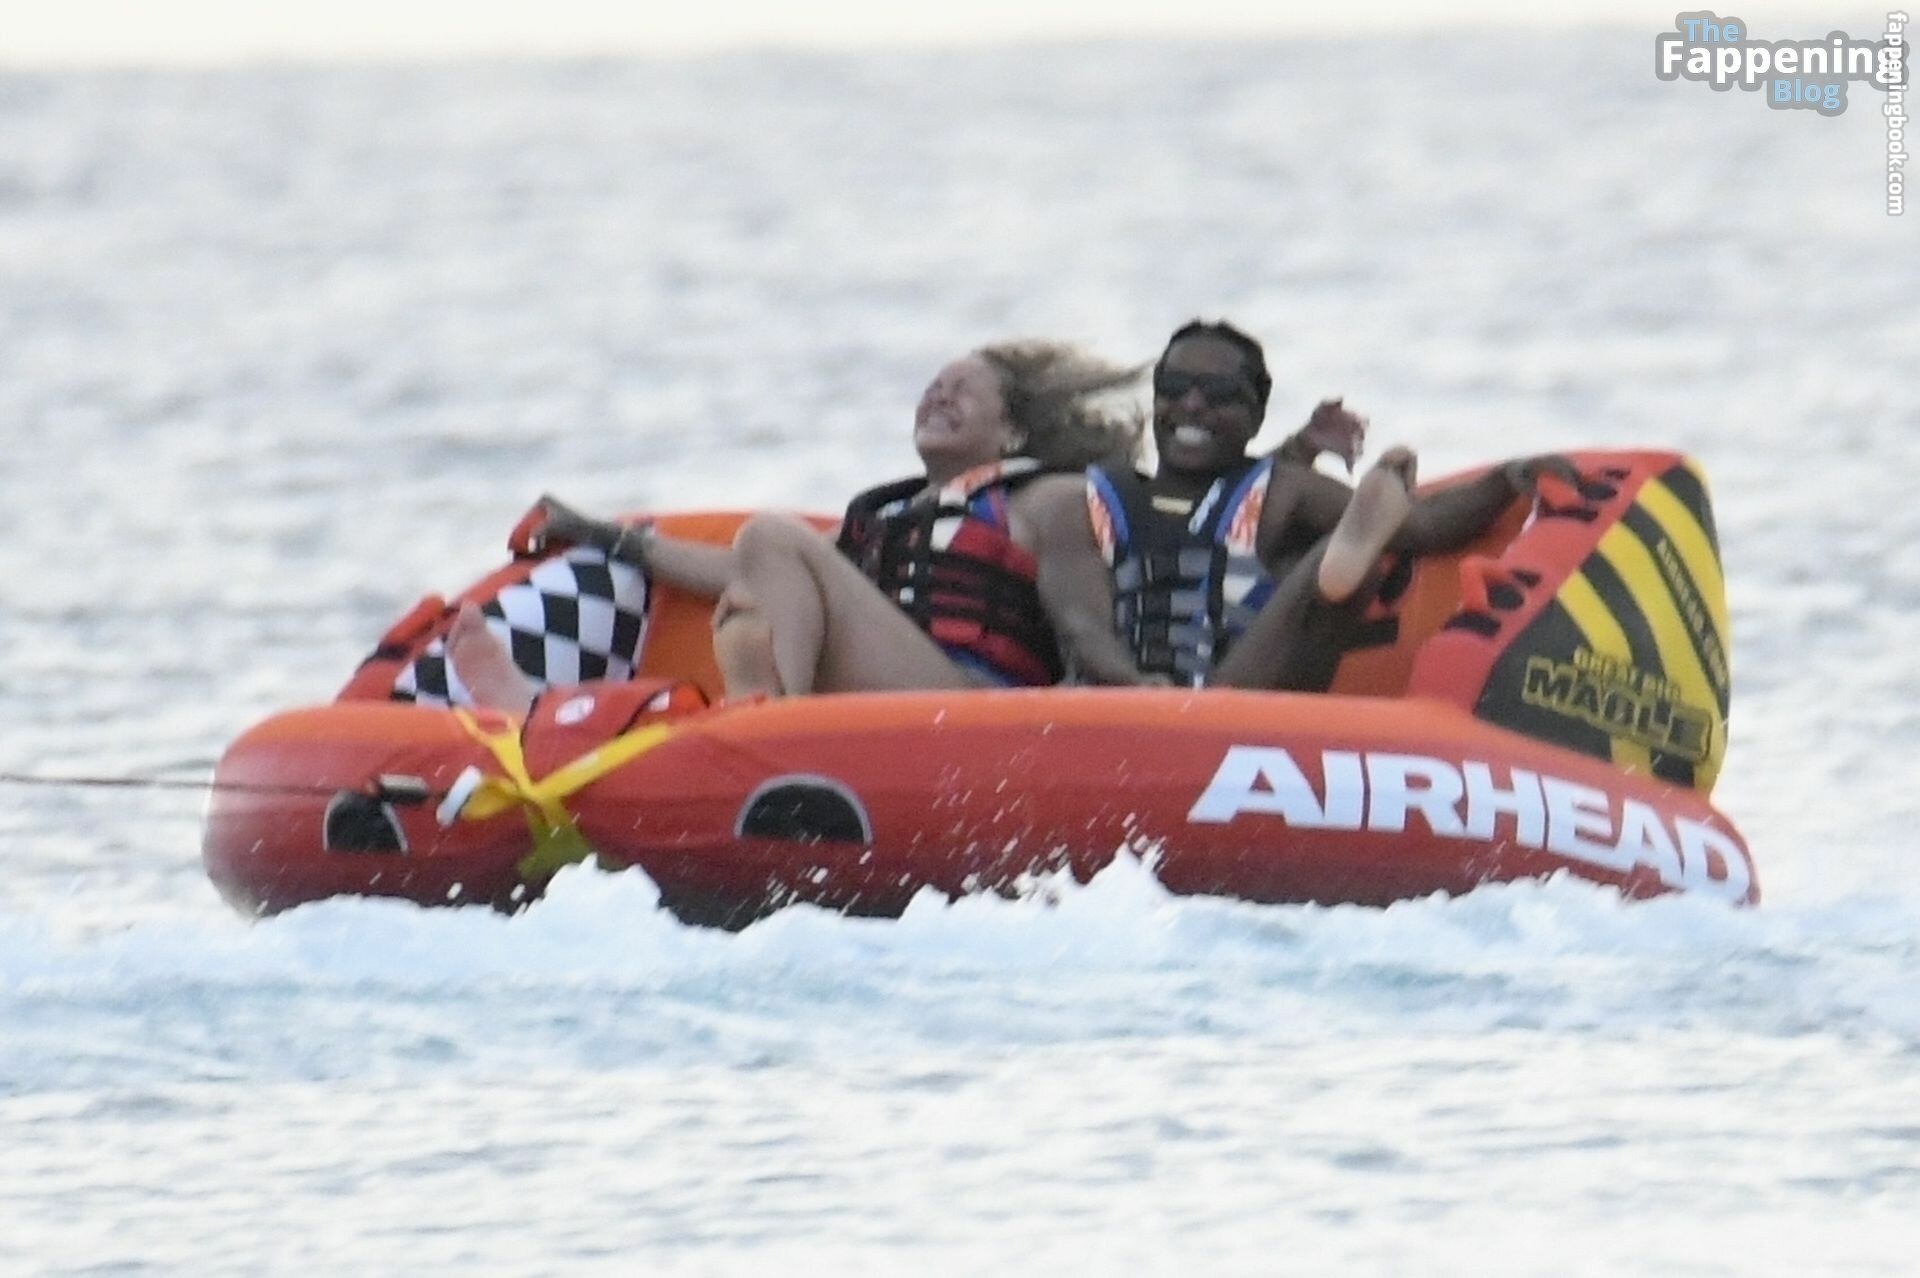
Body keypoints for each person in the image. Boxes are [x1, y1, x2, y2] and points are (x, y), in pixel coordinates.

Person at [447, 341, 1157, 713]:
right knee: (759, 572)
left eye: (961, 392)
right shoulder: (888, 519)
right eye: (932, 388)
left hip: (972, 708)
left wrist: (1145, 699)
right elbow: (738, 570)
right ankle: (545, 715)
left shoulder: (1046, 500)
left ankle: (763, 718)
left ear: (1013, 431)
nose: (937, 397)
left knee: (771, 539)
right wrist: (598, 533)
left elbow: (1086, 631)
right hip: (878, 706)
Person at [1049, 319, 1573, 690]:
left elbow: (1426, 526)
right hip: (1114, 708)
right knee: (1337, 558)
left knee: (1334, 562)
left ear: (1256, 417)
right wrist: (1136, 686)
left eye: (1219, 393)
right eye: (1175, 387)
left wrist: (1506, 479)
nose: (1192, 404)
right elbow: (1080, 624)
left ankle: (1344, 557)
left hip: (1237, 700)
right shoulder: (1088, 500)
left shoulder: (1281, 491)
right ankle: (1346, 554)